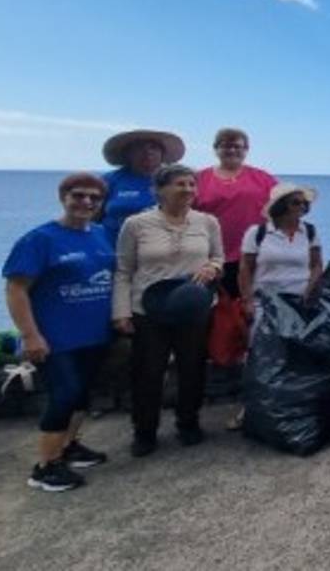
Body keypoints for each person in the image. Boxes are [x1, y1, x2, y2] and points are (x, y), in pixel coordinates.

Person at [2, 173, 115, 492]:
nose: (87, 202)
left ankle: (69, 447)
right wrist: (29, 335)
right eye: (79, 195)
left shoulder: (101, 234)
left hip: (94, 333)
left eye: (94, 198)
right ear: (63, 197)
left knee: (82, 393)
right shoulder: (40, 239)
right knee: (64, 394)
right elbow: (16, 289)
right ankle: (45, 467)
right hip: (55, 337)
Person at [112, 164, 225, 457]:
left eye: (191, 184)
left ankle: (188, 422)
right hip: (149, 309)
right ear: (159, 189)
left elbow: (218, 256)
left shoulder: (207, 222)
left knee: (192, 369)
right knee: (148, 372)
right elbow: (124, 270)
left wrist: (212, 267)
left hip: (193, 306)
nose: (188, 189)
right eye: (179, 184)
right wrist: (121, 312)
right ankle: (144, 431)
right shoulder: (136, 224)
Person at [231, 183, 323, 430]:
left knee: (295, 356)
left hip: (299, 302)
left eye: (304, 203)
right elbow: (245, 269)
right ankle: (249, 406)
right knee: (258, 354)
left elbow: (316, 265)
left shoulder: (310, 231)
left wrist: (309, 289)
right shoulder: (258, 233)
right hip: (266, 301)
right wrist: (248, 299)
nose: (302, 207)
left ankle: (290, 405)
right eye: (296, 202)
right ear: (281, 206)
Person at [194, 127, 277, 306]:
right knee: (215, 310)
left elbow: (282, 212)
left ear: (246, 150)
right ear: (216, 149)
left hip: (254, 256)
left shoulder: (263, 178)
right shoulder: (199, 178)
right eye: (226, 146)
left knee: (253, 308)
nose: (232, 150)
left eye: (238, 146)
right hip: (210, 257)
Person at [100, 129, 186, 248]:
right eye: (139, 147)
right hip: (112, 249)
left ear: (162, 154)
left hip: (159, 253)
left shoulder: (176, 181)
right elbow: (92, 217)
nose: (147, 152)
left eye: (153, 147)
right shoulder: (110, 180)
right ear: (128, 153)